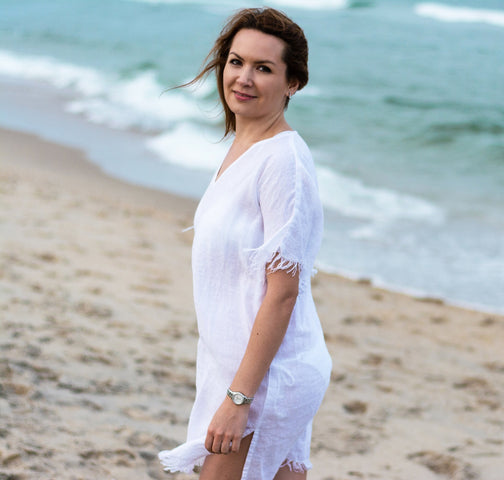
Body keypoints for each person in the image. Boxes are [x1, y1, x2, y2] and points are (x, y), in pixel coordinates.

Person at [158, 8, 332, 479]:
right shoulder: (245, 143)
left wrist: (239, 400)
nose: (243, 78)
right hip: (237, 366)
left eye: (264, 68)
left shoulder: (284, 163)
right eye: (236, 62)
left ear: (293, 83)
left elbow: (284, 291)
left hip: (267, 377)